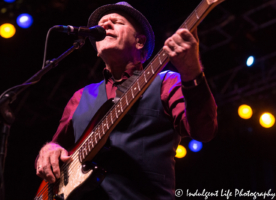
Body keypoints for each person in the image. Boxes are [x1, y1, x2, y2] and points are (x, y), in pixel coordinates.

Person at [36, 2, 217, 199]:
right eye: (101, 24)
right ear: (96, 48)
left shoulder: (166, 81)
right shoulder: (80, 96)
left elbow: (204, 131)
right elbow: (56, 149)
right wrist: (49, 149)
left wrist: (192, 72)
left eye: (116, 22)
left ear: (139, 42)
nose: (105, 25)